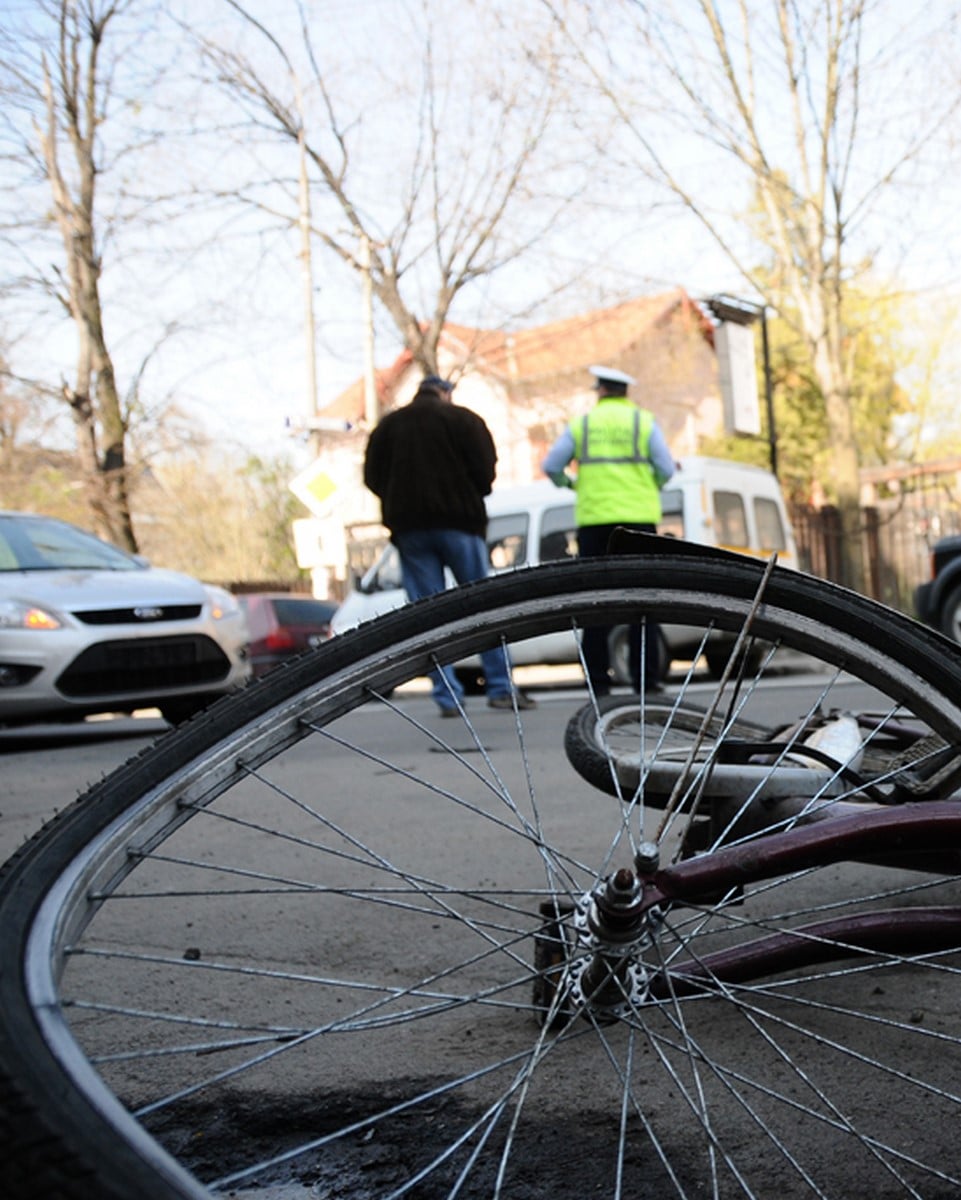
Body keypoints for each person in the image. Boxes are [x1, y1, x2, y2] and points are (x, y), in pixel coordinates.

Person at [363, 373, 535, 716]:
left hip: (410, 528)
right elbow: (486, 471)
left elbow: (372, 477)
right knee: (481, 608)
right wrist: (468, 493)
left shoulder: (388, 427)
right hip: (461, 524)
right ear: (445, 393)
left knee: (429, 617)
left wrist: (400, 501)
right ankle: (500, 688)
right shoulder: (464, 420)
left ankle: (447, 696)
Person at [541, 364, 676, 695]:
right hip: (638, 520)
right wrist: (649, 486)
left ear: (600, 391)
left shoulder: (583, 425)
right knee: (642, 600)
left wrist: (571, 484)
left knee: (596, 602)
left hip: (594, 521)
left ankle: (598, 682)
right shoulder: (642, 422)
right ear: (625, 392)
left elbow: (551, 465)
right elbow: (666, 468)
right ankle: (645, 681)